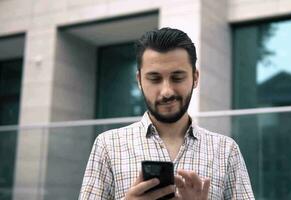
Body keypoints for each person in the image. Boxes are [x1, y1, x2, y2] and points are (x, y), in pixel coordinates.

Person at [79, 27, 254, 200]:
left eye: (177, 78)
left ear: (195, 78)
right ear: (139, 80)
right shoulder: (108, 146)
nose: (167, 91)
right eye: (154, 79)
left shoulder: (226, 150)